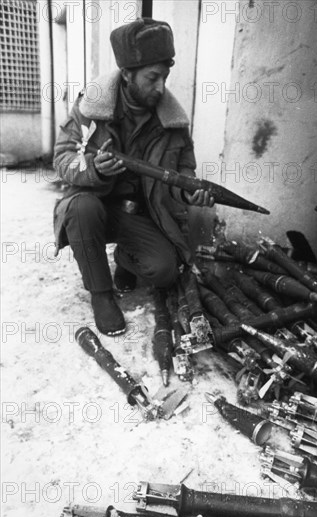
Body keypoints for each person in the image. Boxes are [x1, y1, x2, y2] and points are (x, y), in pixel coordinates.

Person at [53, 17, 214, 336]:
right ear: (127, 74)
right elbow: (62, 157)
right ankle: (101, 295)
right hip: (92, 204)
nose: (160, 87)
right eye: (152, 77)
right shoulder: (91, 108)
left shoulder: (172, 122)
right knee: (81, 208)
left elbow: (184, 171)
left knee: (165, 270)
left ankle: (125, 261)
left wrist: (189, 194)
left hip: (140, 213)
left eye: (164, 77)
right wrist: (94, 168)